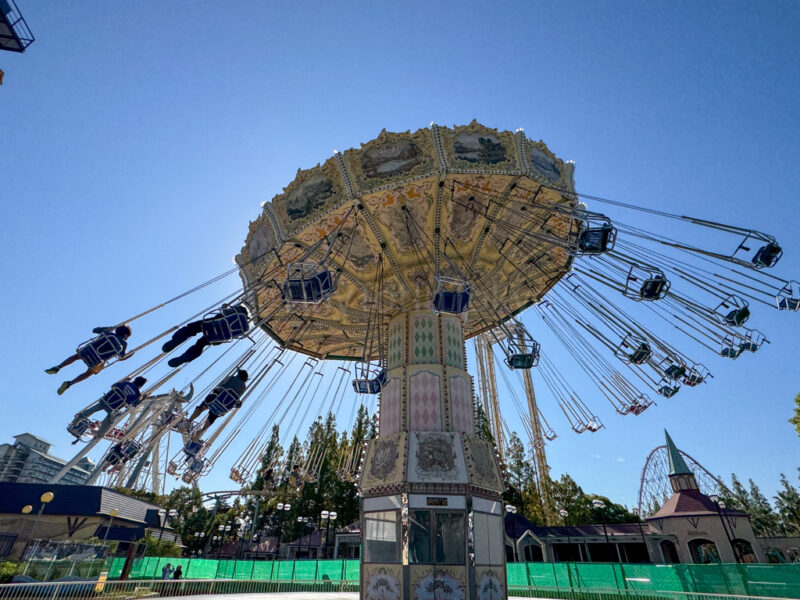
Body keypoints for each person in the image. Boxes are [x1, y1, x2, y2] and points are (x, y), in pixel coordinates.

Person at [46, 326, 133, 395]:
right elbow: (121, 357)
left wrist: (109, 328)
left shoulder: (107, 333)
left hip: (87, 352)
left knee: (76, 357)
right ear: (125, 335)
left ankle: (59, 367)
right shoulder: (123, 344)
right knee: (89, 372)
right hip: (96, 361)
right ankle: (70, 383)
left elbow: (95, 330)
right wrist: (130, 354)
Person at [163, 304, 250, 368]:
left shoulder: (236, 311)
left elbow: (224, 310)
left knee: (192, 328)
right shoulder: (244, 326)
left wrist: (225, 306)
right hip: (219, 337)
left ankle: (176, 339)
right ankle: (185, 358)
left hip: (215, 323)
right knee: (200, 344)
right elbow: (236, 336)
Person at [188, 369, 248, 439]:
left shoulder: (232, 378)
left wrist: (216, 389)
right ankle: (201, 431)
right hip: (224, 408)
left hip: (216, 399)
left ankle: (189, 422)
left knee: (202, 407)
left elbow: (220, 386)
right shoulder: (243, 388)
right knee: (212, 417)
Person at [69, 377, 148, 430]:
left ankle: (79, 418)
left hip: (106, 400)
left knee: (93, 409)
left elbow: (113, 386)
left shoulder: (126, 383)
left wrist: (124, 380)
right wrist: (143, 398)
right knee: (110, 420)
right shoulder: (137, 394)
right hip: (113, 409)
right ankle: (100, 433)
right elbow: (134, 404)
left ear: (134, 380)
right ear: (141, 386)